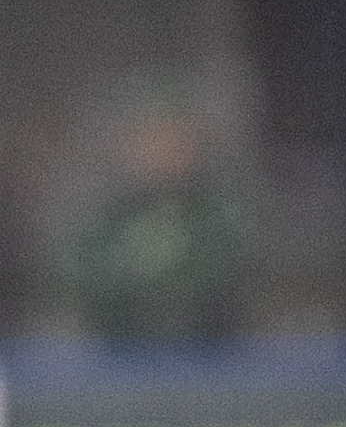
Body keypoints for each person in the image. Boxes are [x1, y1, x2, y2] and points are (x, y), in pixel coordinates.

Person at [62, 96, 249, 344]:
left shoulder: (223, 214)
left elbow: (227, 282)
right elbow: (88, 283)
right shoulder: (102, 217)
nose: (161, 151)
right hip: (116, 360)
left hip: (213, 359)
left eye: (175, 139)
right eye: (150, 138)